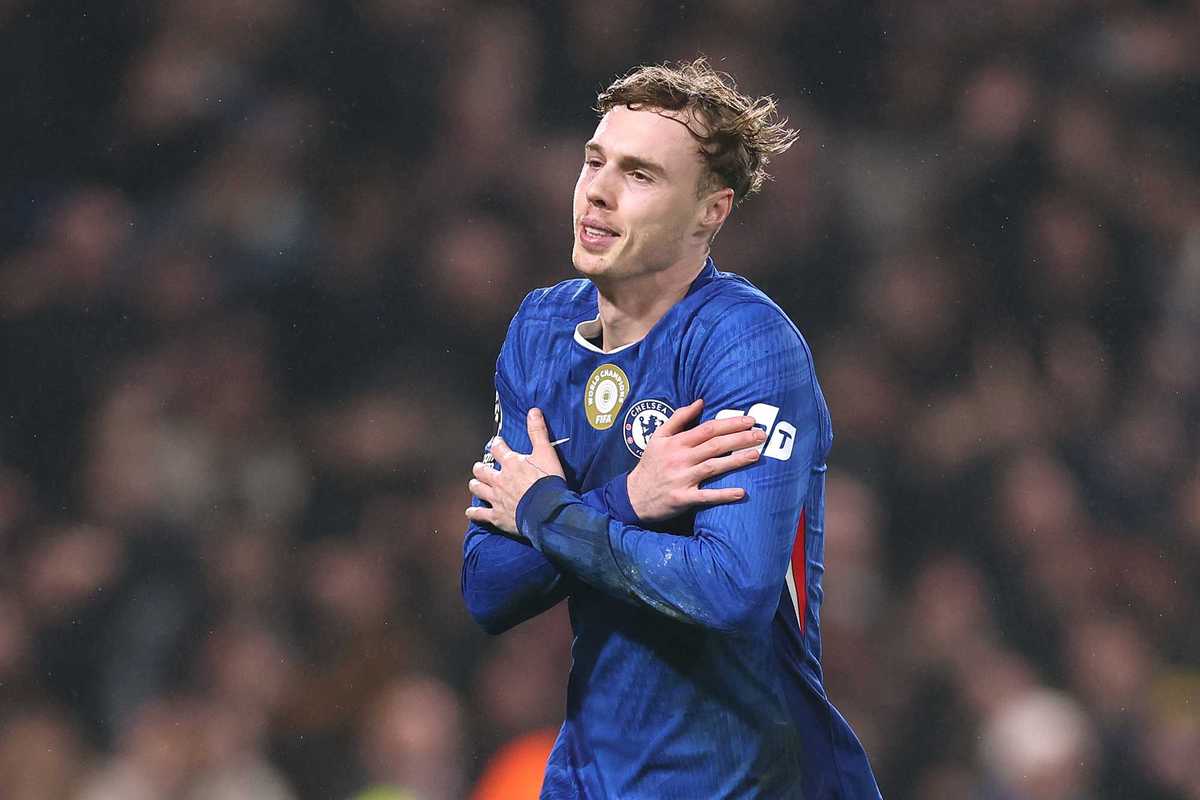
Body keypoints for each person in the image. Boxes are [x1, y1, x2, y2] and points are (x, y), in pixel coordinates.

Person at [461, 59, 882, 799]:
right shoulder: (540, 329)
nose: (597, 189)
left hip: (743, 780)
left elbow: (731, 590)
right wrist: (626, 499)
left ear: (710, 212)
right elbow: (489, 588)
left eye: (640, 174)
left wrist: (548, 512)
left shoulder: (747, 346)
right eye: (594, 160)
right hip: (590, 779)